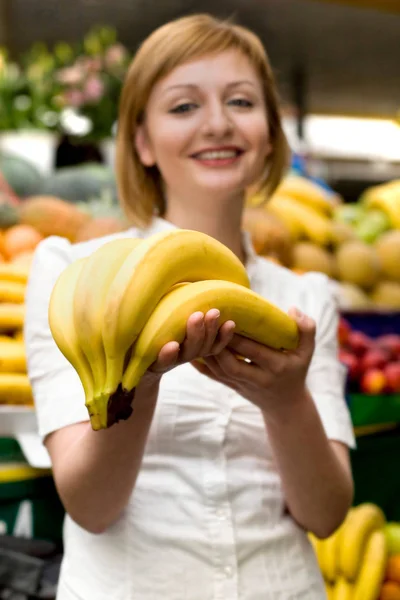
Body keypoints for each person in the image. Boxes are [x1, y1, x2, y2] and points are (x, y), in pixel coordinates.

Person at [25, 13, 355, 600]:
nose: (218, 123)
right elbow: (90, 508)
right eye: (183, 106)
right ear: (143, 141)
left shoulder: (303, 300)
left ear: (271, 133)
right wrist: (138, 385)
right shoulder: (76, 278)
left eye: (241, 101)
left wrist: (286, 402)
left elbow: (326, 515)